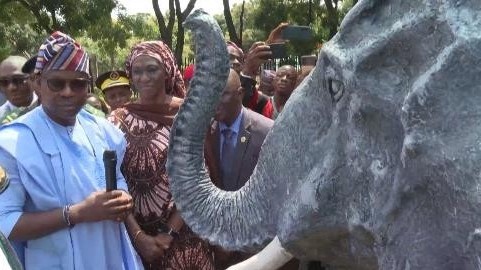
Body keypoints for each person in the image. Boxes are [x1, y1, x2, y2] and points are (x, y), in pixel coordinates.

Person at [0, 31, 142, 270]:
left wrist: (123, 198)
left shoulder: (104, 130)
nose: (68, 91)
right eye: (57, 83)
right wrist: (76, 214)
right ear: (37, 82)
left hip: (111, 258)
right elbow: (6, 224)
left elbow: (117, 177)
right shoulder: (11, 143)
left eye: (77, 84)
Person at [108, 40, 214, 270]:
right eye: (137, 71)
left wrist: (168, 234)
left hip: (185, 236)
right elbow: (112, 181)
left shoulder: (188, 114)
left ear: (166, 71)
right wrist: (139, 237)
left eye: (151, 70)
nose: (143, 77)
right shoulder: (117, 120)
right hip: (135, 239)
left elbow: (197, 181)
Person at [226, 41, 274, 118]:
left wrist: (248, 71)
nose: (237, 62)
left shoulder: (261, 101)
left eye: (239, 59)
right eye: (231, 57)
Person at [0, 56, 38, 124]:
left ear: (32, 78)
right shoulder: (1, 119)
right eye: (4, 82)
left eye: (18, 80)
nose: (11, 88)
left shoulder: (50, 105)